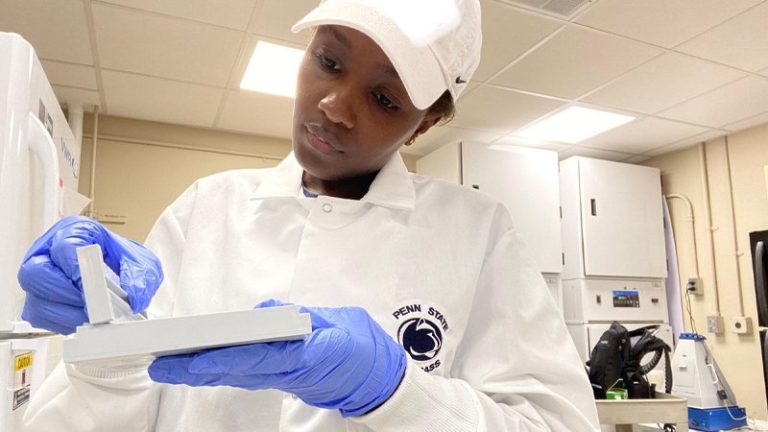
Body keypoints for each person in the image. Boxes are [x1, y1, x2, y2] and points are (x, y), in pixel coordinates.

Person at [18, 0, 601, 430]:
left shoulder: (475, 232)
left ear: (423, 124)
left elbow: (558, 425)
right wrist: (106, 354)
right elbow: (108, 410)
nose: (335, 106)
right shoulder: (207, 208)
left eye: (384, 98)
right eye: (329, 60)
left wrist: (395, 393)